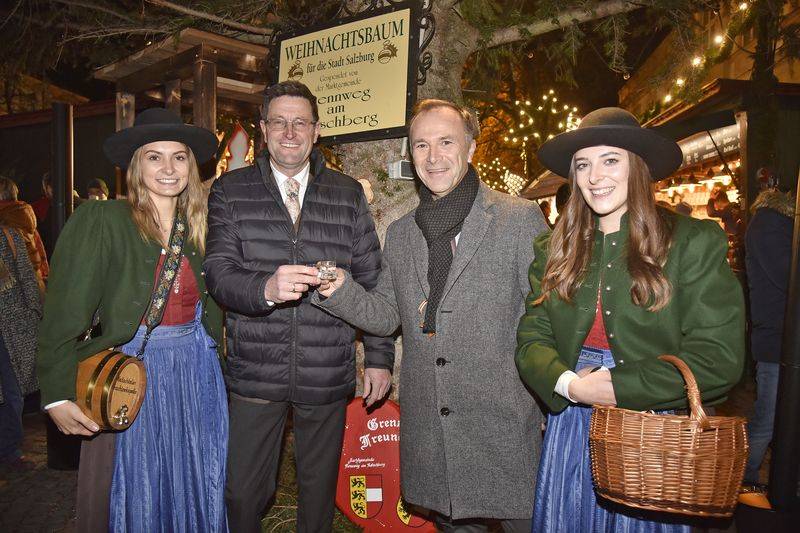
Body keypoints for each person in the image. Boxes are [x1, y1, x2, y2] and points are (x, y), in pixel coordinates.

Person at [315, 99, 548, 531]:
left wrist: (550, 399)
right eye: (421, 145)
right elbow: (386, 315)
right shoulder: (402, 233)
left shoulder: (518, 219)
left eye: (446, 142)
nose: (433, 157)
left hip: (503, 422)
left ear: (472, 148)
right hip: (435, 429)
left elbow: (546, 314)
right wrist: (337, 289)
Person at [515, 107, 745, 532]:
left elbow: (718, 358)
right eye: (583, 164)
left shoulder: (692, 242)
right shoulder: (554, 248)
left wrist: (619, 387)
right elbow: (532, 336)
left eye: (610, 160)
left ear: (637, 167)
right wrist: (571, 385)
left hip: (651, 434)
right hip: (572, 426)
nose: (594, 176)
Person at [203, 80, 394, 533]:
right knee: (243, 492)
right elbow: (219, 272)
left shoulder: (347, 193)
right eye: (279, 122)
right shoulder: (230, 190)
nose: (290, 132)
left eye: (300, 123)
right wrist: (265, 287)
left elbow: (373, 282)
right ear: (264, 129)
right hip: (255, 368)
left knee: (317, 492)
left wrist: (380, 359)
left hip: (326, 367)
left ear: (316, 130)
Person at [37, 108, 227, 532]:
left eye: (179, 157)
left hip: (197, 372)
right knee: (134, 488)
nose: (168, 167)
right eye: (154, 157)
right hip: (130, 373)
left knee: (197, 477)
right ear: (136, 166)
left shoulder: (203, 227)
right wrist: (56, 394)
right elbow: (64, 311)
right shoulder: (102, 220)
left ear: (191, 167)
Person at [743, 184, 794, 484]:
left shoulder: (774, 222)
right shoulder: (769, 222)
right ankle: (742, 478)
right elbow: (786, 276)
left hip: (781, 338)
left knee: (775, 416)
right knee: (769, 418)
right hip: (778, 340)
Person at [0, 225, 41, 470]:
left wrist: (34, 312)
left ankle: (10, 449)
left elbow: (27, 276)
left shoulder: (9, 237)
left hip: (12, 328)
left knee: (13, 393)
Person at [0, 176, 48, 291]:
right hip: (33, 282)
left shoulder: (4, 220)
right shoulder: (23, 215)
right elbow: (39, 250)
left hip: (12, 288)